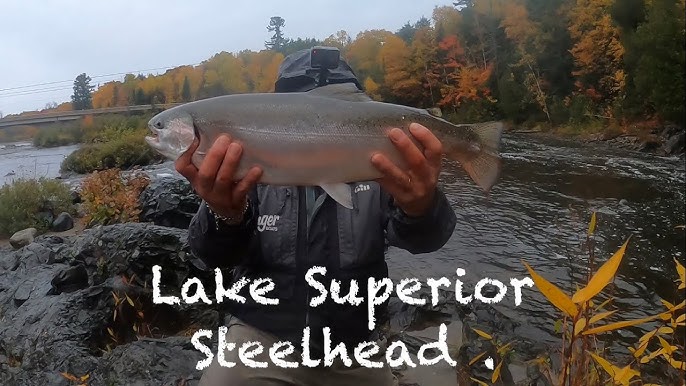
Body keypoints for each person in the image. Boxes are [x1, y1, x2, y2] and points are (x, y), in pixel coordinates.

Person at [175, 47, 457, 386]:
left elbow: (424, 241)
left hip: (355, 347)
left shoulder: (385, 168)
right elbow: (211, 256)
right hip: (259, 340)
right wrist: (225, 214)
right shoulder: (242, 163)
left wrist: (421, 206)